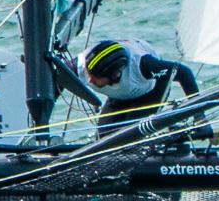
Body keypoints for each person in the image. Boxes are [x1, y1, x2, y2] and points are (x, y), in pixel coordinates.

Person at [79, 39, 211, 138]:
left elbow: (184, 73)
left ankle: (172, 134)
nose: (89, 81)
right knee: (103, 138)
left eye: (95, 78)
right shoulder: (79, 67)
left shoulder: (144, 65)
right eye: (89, 75)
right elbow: (64, 78)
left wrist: (199, 117)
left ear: (113, 75)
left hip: (150, 90)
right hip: (123, 92)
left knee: (128, 135)